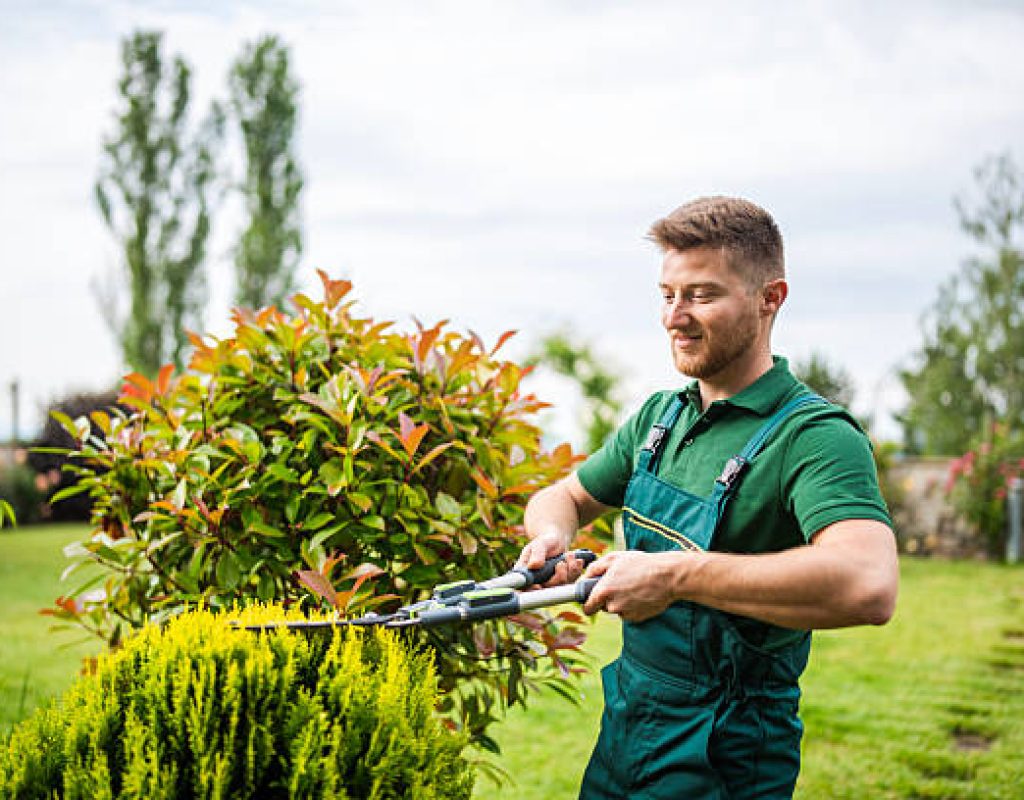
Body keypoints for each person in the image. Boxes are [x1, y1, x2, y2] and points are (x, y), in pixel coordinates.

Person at [517, 196, 898, 799]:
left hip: (727, 754)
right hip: (626, 734)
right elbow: (562, 495)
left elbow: (868, 584)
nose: (674, 317)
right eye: (667, 294)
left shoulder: (814, 437)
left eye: (700, 294)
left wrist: (674, 577)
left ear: (770, 298)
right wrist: (553, 537)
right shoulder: (659, 419)